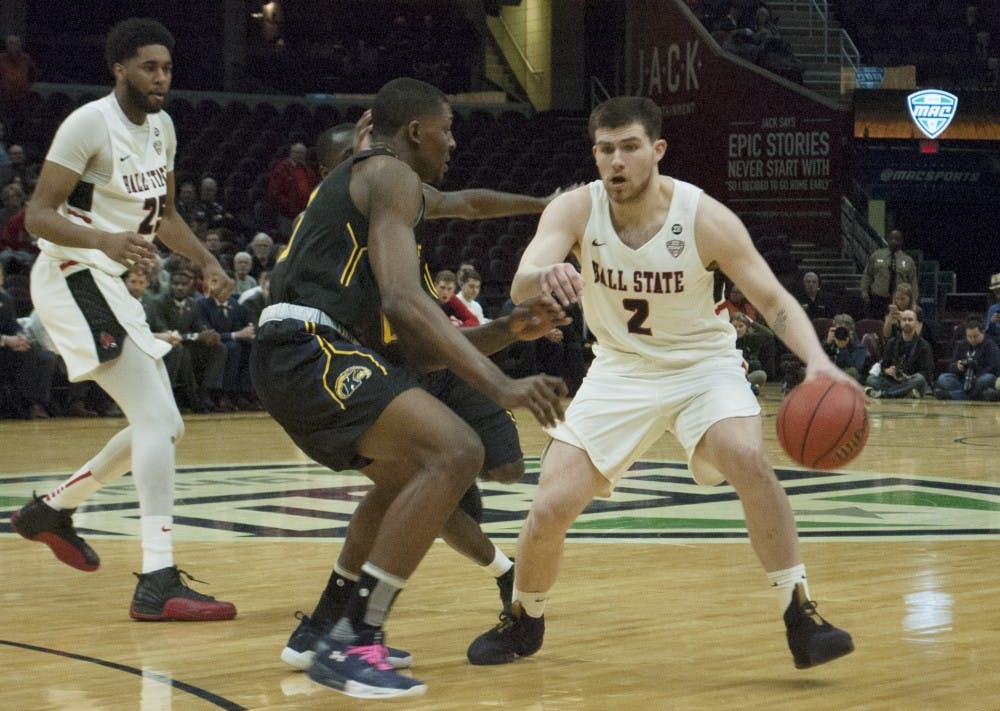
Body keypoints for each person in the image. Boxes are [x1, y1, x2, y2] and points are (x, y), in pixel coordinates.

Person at [466, 96, 856, 671]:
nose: (616, 161)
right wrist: (543, 274)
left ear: (657, 150)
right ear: (594, 153)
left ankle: (800, 613)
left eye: (629, 147)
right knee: (549, 506)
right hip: (619, 368)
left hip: (704, 366)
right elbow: (525, 278)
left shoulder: (704, 217)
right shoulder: (576, 209)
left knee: (747, 457)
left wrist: (819, 363)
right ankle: (525, 616)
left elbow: (772, 300)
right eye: (605, 149)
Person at [249, 77, 569, 699]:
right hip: (310, 344)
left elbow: (421, 347)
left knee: (403, 476)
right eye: (448, 129)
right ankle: (354, 641)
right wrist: (503, 386)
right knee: (457, 451)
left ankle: (324, 628)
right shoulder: (387, 172)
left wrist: (508, 327)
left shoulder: (385, 199)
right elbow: (403, 297)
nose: (453, 144)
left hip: (300, 354)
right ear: (418, 130)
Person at [8, 18, 236, 620]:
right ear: (119, 69)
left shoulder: (161, 127)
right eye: (148, 67)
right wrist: (107, 241)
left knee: (163, 427)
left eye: (166, 68)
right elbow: (36, 215)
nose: (160, 78)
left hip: (108, 281)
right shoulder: (89, 122)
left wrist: (207, 257)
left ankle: (53, 510)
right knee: (159, 421)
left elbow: (162, 218)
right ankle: (157, 579)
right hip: (72, 275)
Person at [864, 309, 933, 399]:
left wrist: (908, 377)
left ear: (916, 323)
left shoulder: (924, 345)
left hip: (911, 380)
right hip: (894, 381)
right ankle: (903, 393)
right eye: (904, 320)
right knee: (871, 379)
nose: (907, 322)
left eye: (910, 320)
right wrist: (888, 371)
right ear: (900, 322)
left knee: (919, 379)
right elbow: (884, 366)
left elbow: (927, 372)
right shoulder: (892, 342)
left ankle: (885, 394)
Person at [933, 318, 1000, 401]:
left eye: (975, 336)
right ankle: (973, 395)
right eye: (969, 336)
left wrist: (976, 370)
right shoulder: (961, 345)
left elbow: (994, 368)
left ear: (983, 333)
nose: (972, 339)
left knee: (986, 379)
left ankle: (952, 395)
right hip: (964, 378)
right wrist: (957, 366)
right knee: (943, 377)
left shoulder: (990, 345)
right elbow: (952, 366)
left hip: (979, 378)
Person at [859, 229, 919, 319]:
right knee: (877, 326)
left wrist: (913, 301)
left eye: (897, 239)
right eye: (891, 238)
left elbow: (913, 283)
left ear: (901, 241)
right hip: (877, 299)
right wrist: (864, 292)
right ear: (888, 240)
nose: (894, 241)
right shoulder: (876, 256)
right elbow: (867, 275)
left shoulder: (908, 261)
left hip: (900, 301)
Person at [266, 141, 319, 239]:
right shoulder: (281, 169)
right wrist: (290, 207)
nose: (299, 156)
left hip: (306, 214)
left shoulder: (308, 170)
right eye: (296, 153)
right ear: (291, 153)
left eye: (302, 153)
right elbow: (275, 193)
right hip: (287, 216)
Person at [823, 313, 866, 383]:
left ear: (851, 331)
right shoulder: (831, 339)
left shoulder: (858, 346)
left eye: (845, 330)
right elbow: (817, 358)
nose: (841, 333)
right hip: (829, 371)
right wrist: (827, 344)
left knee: (853, 372)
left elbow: (856, 368)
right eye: (839, 329)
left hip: (845, 374)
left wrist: (843, 348)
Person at [985, 272, 1000, 347]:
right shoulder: (993, 309)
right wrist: (992, 323)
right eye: (996, 292)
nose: (999, 295)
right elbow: (987, 335)